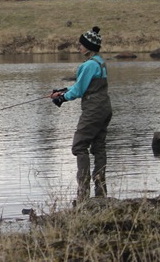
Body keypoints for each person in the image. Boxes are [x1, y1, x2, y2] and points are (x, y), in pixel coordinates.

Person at [50, 26, 112, 204]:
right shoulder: (100, 62)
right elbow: (82, 86)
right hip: (105, 108)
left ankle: (83, 193)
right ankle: (101, 192)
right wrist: (63, 91)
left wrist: (62, 99)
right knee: (99, 147)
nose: (79, 47)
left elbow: (78, 90)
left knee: (79, 146)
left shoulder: (88, 65)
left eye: (81, 44)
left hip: (93, 110)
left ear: (89, 47)